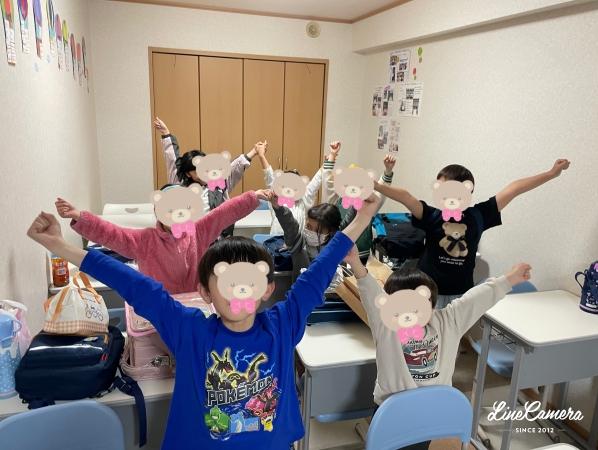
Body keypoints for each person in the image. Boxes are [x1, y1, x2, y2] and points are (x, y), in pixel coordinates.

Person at [26, 192, 381, 449]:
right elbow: (133, 283)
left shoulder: (283, 324)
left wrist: (362, 220)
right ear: (205, 291)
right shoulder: (189, 330)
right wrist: (59, 246)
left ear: (267, 289)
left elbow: (319, 270)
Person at [345, 245, 531, 450]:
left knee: (420, 445)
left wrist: (509, 279)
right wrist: (355, 263)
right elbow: (369, 291)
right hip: (394, 413)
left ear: (432, 304)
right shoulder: (386, 325)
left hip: (432, 410)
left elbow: (475, 299)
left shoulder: (448, 320)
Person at [374, 159, 569, 308]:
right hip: (426, 291)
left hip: (461, 294)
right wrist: (376, 185)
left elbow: (514, 188)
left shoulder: (478, 215)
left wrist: (551, 173)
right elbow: (406, 197)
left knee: (452, 340)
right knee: (423, 339)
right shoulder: (431, 215)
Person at [55, 188, 269, 294]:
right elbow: (111, 233)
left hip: (195, 303)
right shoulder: (145, 240)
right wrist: (80, 217)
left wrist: (254, 197)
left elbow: (224, 213)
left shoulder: (198, 231)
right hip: (159, 306)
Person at [153, 117, 263, 237]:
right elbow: (172, 159)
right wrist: (166, 133)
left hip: (216, 239)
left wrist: (254, 152)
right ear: (188, 173)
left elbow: (234, 167)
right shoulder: (179, 184)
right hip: (188, 239)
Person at [326, 150, 396, 264]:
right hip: (339, 251)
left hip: (361, 254)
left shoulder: (367, 202)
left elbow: (380, 193)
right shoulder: (337, 199)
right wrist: (330, 159)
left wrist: (388, 171)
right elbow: (328, 182)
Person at [256, 140, 340, 235]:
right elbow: (269, 175)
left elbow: (317, 179)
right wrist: (261, 156)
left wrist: (331, 157)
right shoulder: (276, 199)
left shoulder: (304, 200)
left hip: (297, 243)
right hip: (276, 241)